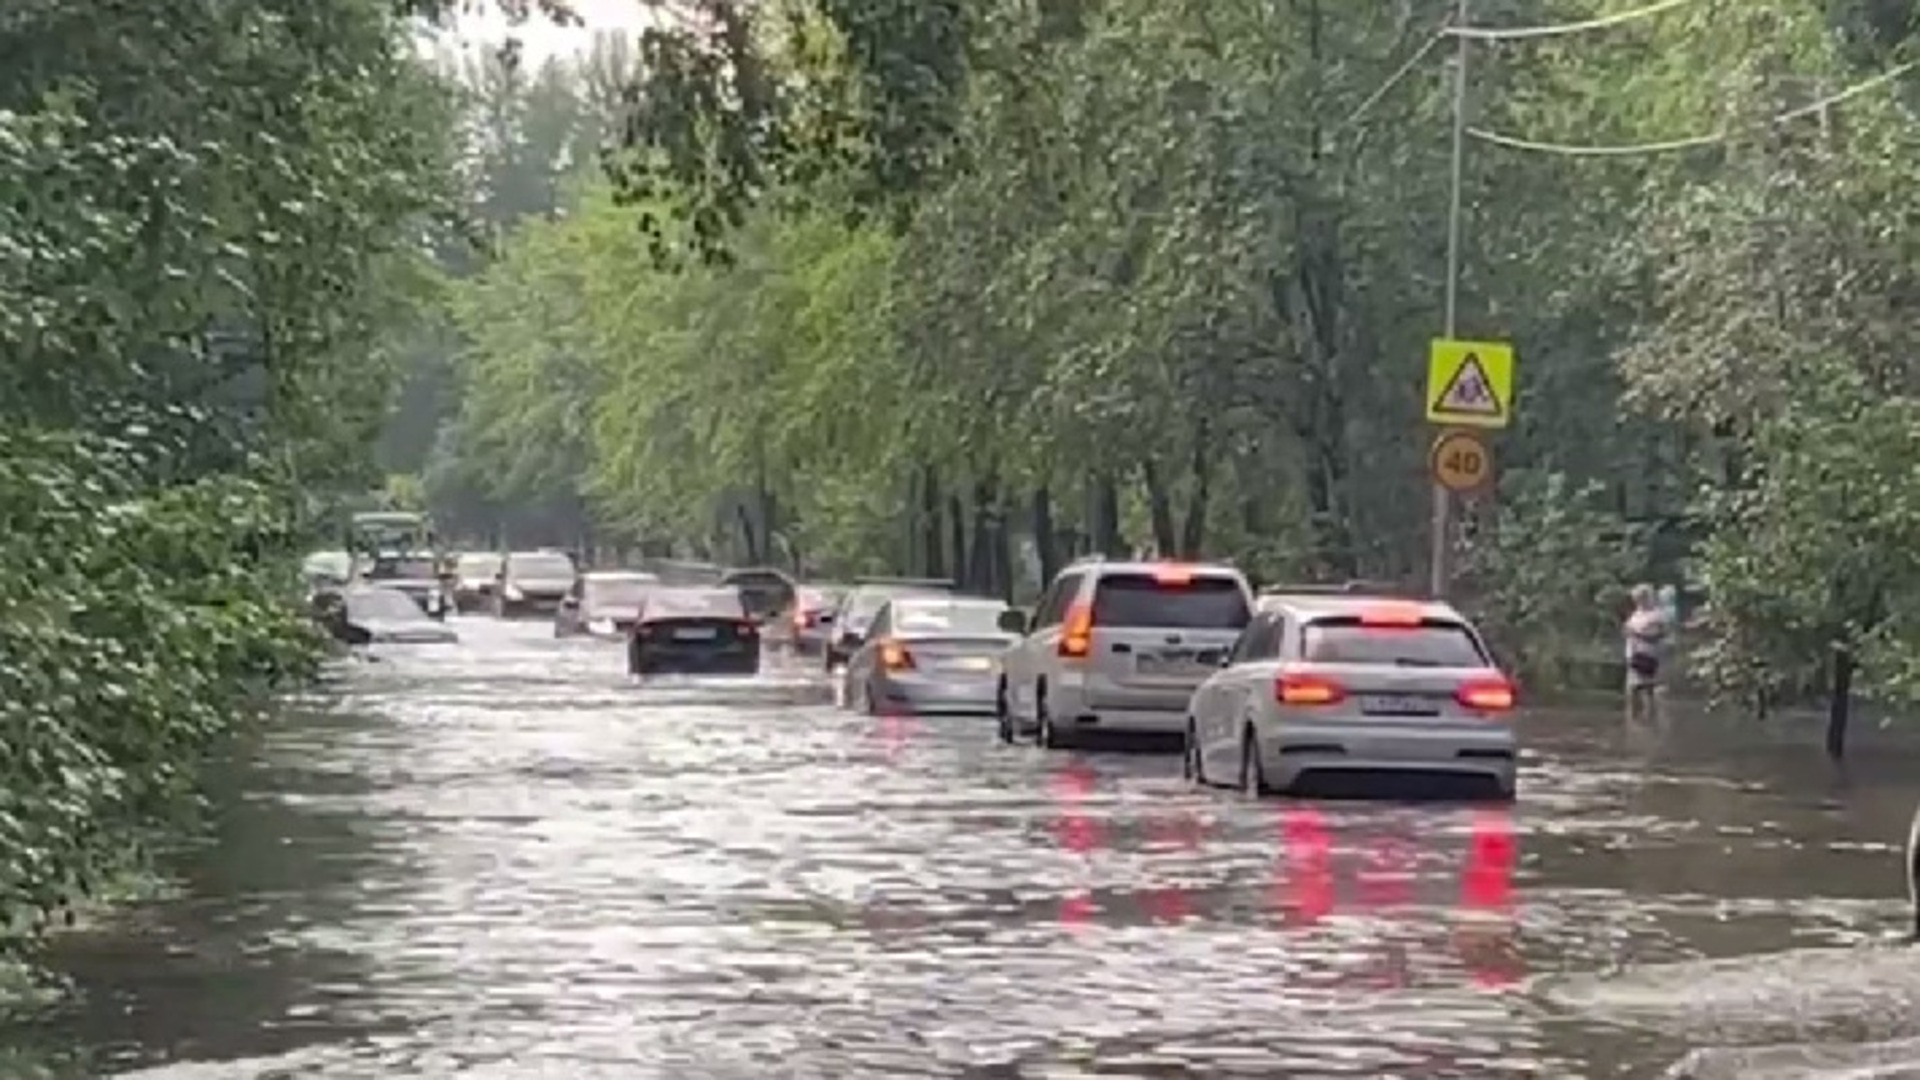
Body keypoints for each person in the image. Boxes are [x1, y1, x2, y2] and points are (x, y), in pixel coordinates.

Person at [1623, 583, 1670, 721]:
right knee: (1633, 692)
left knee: (1646, 690)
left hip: (1648, 655)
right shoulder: (1636, 613)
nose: (1637, 601)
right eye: (1636, 598)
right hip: (1633, 654)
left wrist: (1636, 634)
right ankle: (1636, 722)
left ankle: (1649, 721)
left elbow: (1657, 635)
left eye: (1640, 598)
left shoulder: (1656, 615)